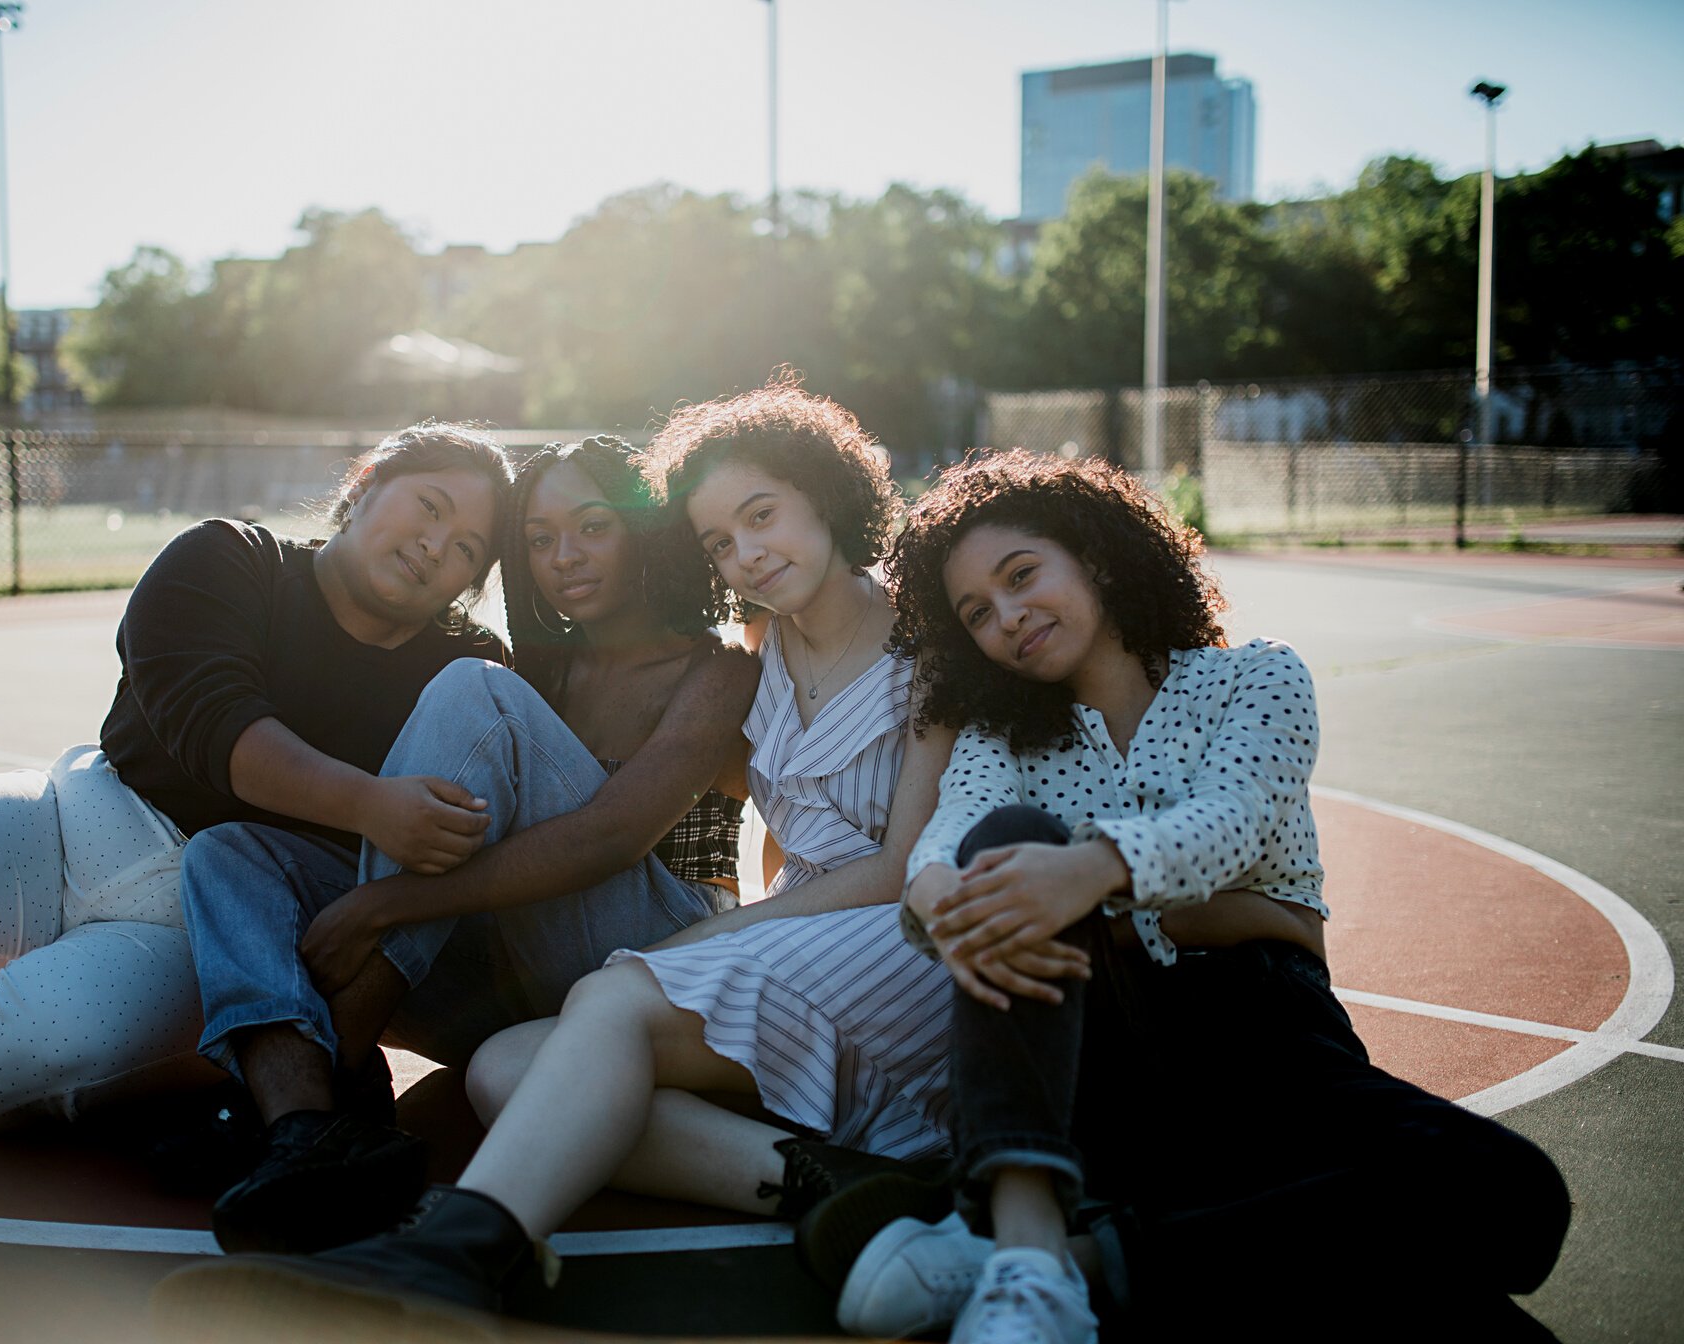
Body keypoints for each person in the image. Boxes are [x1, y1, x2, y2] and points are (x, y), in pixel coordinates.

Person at [150, 379, 1087, 1341]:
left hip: (884, 938)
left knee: (606, 993)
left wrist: (717, 928)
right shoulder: (764, 646)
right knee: (502, 1068)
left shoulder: (919, 640)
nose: (746, 554)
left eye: (760, 517)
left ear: (826, 493)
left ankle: (450, 1249)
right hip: (783, 937)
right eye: (720, 539)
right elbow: (777, 819)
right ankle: (838, 1184)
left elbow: (890, 866)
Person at [813, 449, 1570, 1343]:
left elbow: (1234, 823)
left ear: (1093, 555)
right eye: (978, 613)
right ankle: (1027, 1242)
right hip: (1097, 1042)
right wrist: (939, 893)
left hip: (1273, 1035)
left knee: (1515, 1193)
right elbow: (948, 838)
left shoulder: (1256, 678)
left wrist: (1093, 875)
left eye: (1023, 576)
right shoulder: (1000, 738)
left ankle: (1061, 1265)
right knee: (1005, 846)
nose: (1009, 617)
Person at [0, 424, 512, 1137]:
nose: (437, 544)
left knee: (51, 1041)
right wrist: (371, 804)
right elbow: (214, 725)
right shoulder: (230, 557)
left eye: (468, 548)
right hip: (75, 824)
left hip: (205, 931)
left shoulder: (470, 668)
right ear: (366, 483)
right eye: (429, 507)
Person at [182, 435, 758, 1254]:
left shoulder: (718, 669)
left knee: (470, 688)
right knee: (232, 852)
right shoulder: (542, 671)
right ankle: (304, 1125)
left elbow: (611, 837)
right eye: (539, 538)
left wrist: (386, 903)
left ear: (645, 529)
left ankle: (334, 1073)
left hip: (652, 966)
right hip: (517, 981)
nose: (564, 556)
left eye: (593, 526)